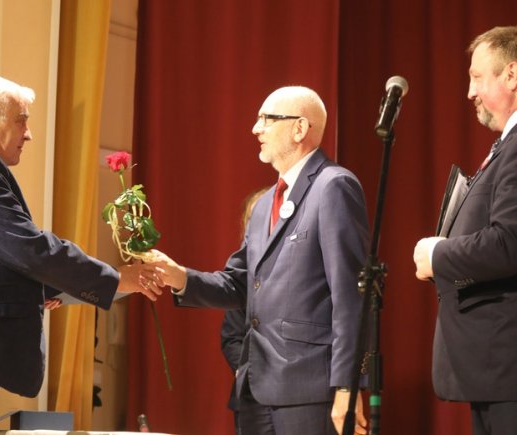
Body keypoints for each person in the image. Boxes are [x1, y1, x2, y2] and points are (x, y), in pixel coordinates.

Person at [0, 74, 162, 435]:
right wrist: (114, 278)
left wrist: (38, 290)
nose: (29, 134)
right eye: (22, 121)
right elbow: (28, 248)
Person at [148, 86, 370, 435]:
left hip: (311, 390)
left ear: (299, 128)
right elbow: (239, 284)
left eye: (267, 119)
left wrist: (348, 385)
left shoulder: (333, 186)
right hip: (255, 390)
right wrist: (179, 277)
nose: (256, 128)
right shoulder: (265, 204)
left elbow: (351, 295)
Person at [413, 26, 517, 435]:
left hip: (507, 367)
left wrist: (438, 255)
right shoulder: (505, 146)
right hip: (497, 370)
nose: (470, 92)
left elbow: (508, 243)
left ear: (512, 74)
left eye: (477, 77)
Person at [220, 187, 268, 434]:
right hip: (250, 396)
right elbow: (231, 337)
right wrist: (247, 371)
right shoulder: (242, 276)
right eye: (251, 220)